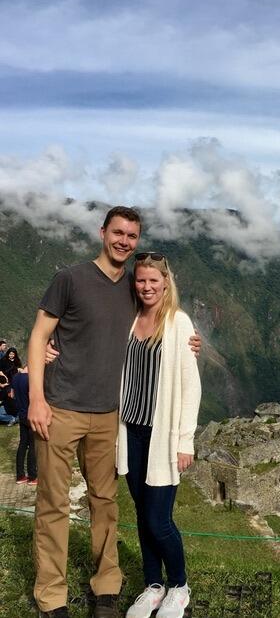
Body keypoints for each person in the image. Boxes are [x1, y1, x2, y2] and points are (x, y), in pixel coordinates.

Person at [26, 207, 201, 618]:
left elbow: (170, 327)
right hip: (63, 408)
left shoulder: (132, 288)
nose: (124, 240)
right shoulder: (70, 278)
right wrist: (36, 396)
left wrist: (194, 344)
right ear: (103, 232)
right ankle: (52, 595)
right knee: (52, 503)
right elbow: (39, 335)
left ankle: (108, 587)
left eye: (132, 235)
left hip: (109, 416)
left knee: (105, 502)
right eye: (118, 232)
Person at [119, 253, 201, 618]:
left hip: (162, 438)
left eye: (154, 280)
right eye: (141, 281)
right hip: (131, 433)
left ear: (166, 282)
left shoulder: (179, 323)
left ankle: (179, 586)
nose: (147, 287)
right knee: (141, 513)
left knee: (159, 519)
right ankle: (153, 585)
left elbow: (190, 386)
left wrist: (186, 440)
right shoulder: (131, 319)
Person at [12, 362, 37, 484]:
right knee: (33, 446)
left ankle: (20, 476)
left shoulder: (16, 377)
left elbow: (12, 395)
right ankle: (33, 476)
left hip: (21, 414)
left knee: (22, 444)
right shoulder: (30, 379)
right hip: (31, 415)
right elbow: (34, 398)